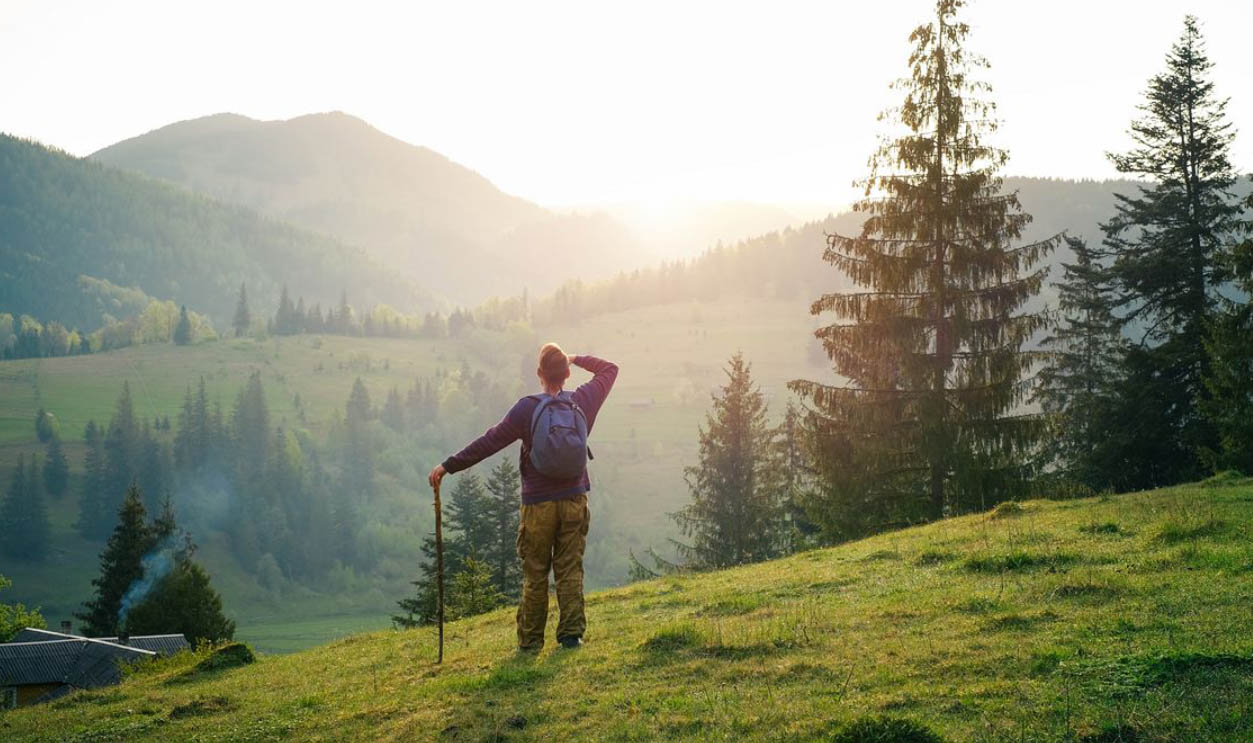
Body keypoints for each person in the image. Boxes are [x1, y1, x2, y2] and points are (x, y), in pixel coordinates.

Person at [428, 343, 618, 652]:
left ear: (539, 374)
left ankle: (530, 643)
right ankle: (571, 636)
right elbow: (610, 369)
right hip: (574, 499)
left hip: (538, 505)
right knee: (570, 569)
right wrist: (574, 357)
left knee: (535, 574)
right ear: (568, 374)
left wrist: (448, 466)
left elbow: (489, 442)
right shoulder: (584, 400)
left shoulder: (526, 409)